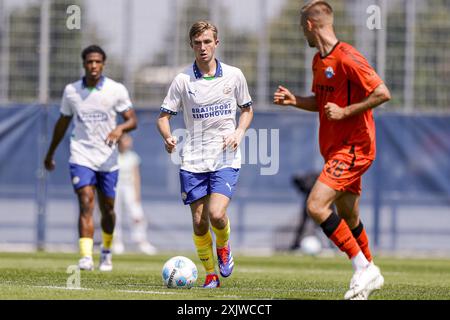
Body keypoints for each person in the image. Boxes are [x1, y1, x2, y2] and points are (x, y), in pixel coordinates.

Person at [273, 0, 391, 300]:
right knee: (349, 217)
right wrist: (295, 101)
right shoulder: (318, 61)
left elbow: (382, 93)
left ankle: (363, 267)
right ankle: (369, 273)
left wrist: (346, 111)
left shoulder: (349, 57)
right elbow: (321, 101)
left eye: (303, 28)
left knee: (315, 206)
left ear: (311, 25)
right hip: (335, 149)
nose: (303, 35)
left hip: (354, 148)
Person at [156, 20, 254, 288]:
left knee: (217, 214)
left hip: (225, 156)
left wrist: (239, 132)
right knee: (200, 223)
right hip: (193, 160)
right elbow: (163, 117)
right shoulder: (182, 80)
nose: (203, 47)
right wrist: (167, 137)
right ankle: (211, 275)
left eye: (207, 42)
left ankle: (224, 247)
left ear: (216, 43)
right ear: (191, 45)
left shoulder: (234, 75)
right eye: (197, 43)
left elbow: (246, 109)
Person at [44, 45, 137, 271]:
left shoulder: (116, 90)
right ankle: (86, 256)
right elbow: (63, 123)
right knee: (86, 201)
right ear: (84, 64)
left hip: (107, 158)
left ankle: (106, 251)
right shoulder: (72, 91)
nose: (93, 66)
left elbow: (132, 120)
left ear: (103, 64)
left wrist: (120, 129)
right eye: (89, 62)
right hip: (81, 155)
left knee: (108, 209)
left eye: (97, 62)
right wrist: (50, 153)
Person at [113, 133, 158, 255]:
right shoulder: (113, 156)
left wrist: (137, 193)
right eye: (125, 140)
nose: (128, 143)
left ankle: (141, 241)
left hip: (129, 187)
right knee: (114, 214)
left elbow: (136, 176)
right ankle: (116, 242)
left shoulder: (133, 157)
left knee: (136, 214)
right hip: (115, 187)